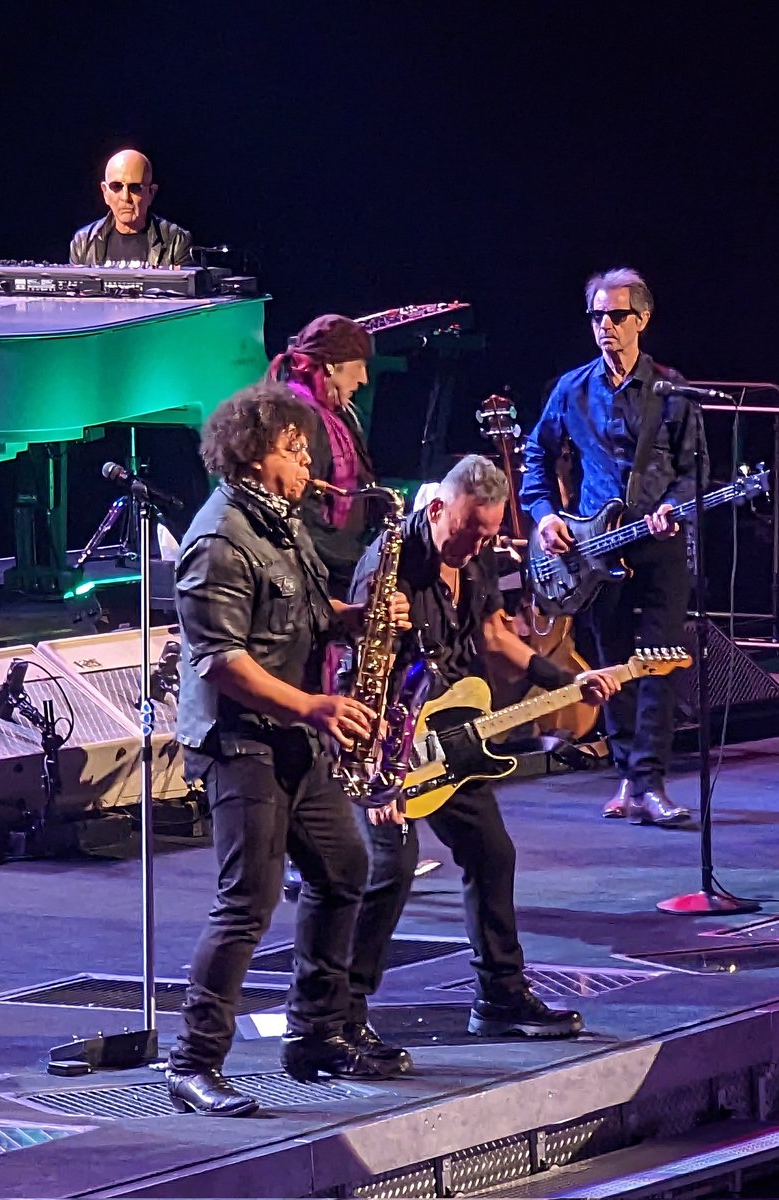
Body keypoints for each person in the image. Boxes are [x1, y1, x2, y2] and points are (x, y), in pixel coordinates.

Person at [165, 381, 413, 1118]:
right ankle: (192, 1062)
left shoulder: (281, 524)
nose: (309, 464)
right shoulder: (218, 539)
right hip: (239, 741)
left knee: (345, 870)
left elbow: (306, 609)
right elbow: (221, 661)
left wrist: (360, 617)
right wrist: (315, 704)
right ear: (252, 454)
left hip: (293, 734)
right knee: (247, 903)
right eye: (294, 450)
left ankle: (313, 1035)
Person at [347, 455, 621, 1040]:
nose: (476, 547)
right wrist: (377, 774)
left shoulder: (475, 558)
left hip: (451, 735)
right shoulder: (390, 565)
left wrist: (564, 681)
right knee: (390, 870)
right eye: (469, 533)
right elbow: (358, 673)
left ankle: (500, 996)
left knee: (492, 854)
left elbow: (494, 635)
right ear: (438, 507)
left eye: (488, 535)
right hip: (389, 743)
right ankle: (339, 1011)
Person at [520, 267, 707, 827]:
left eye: (617, 315)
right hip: (595, 550)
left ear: (642, 320)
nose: (605, 325)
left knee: (658, 664)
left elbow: (694, 471)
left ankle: (651, 782)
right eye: (597, 315)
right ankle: (628, 774)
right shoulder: (572, 388)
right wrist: (545, 516)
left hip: (658, 548)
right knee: (613, 665)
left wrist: (675, 507)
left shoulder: (671, 391)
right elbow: (536, 457)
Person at [268, 313, 378, 599]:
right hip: (316, 580)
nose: (364, 379)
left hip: (338, 564)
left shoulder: (337, 415)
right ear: (331, 366)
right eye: (359, 367)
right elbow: (302, 517)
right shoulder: (298, 419)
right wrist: (359, 562)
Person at [69, 149, 193, 267]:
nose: (125, 197)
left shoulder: (176, 241)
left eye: (135, 187)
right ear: (105, 192)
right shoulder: (83, 242)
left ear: (151, 193)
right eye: (116, 186)